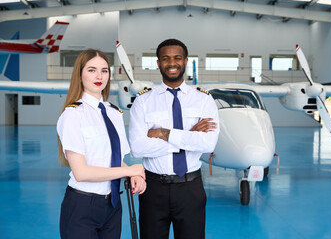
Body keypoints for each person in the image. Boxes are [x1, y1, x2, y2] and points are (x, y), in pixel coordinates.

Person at [129, 39, 220, 239]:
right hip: (153, 189)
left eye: (177, 58)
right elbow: (137, 147)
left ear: (185, 61)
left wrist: (163, 133)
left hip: (190, 188)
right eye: (166, 58)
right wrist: (188, 137)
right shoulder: (143, 101)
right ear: (158, 63)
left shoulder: (204, 100)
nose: (172, 63)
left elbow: (207, 143)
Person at [57, 49, 146, 239]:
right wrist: (128, 171)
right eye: (92, 70)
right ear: (80, 75)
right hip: (82, 205)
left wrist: (134, 174)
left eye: (104, 70)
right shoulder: (73, 115)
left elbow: (116, 159)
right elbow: (81, 173)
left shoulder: (115, 113)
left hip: (113, 206)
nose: (99, 76)